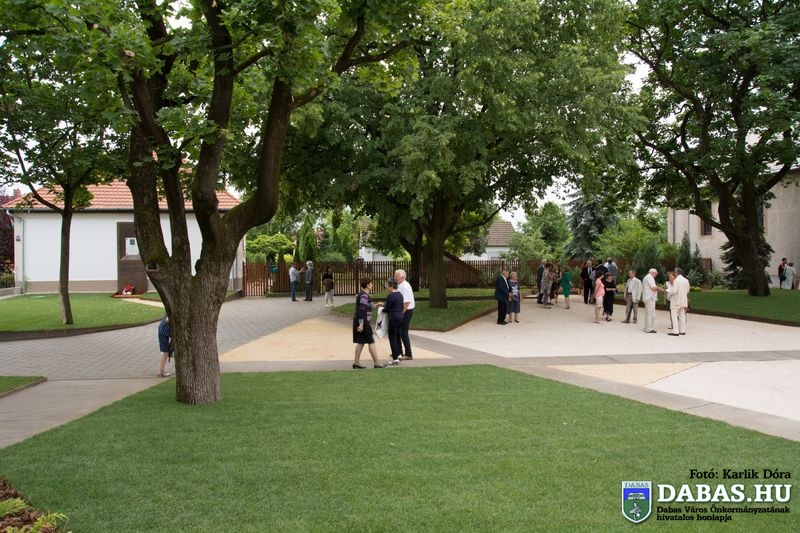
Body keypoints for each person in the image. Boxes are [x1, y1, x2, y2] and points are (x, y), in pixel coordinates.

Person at [352, 277, 388, 369]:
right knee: (371, 341)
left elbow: (365, 307)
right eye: (371, 283)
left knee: (361, 342)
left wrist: (375, 305)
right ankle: (377, 363)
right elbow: (361, 310)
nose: (372, 285)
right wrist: (361, 324)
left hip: (361, 320)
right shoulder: (364, 295)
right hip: (363, 321)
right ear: (367, 285)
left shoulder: (362, 294)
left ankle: (356, 362)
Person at [381, 278, 405, 364]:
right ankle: (399, 354)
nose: (386, 287)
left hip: (393, 317)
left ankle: (395, 358)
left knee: (392, 337)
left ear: (391, 286)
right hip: (401, 316)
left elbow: (387, 308)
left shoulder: (390, 296)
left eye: (387, 286)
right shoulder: (400, 294)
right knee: (397, 335)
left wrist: (382, 309)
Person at [394, 269, 415, 360]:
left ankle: (408, 354)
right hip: (402, 311)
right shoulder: (400, 285)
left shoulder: (405, 286)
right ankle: (399, 352)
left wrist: (401, 314)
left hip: (406, 311)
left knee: (403, 332)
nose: (395, 278)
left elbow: (406, 303)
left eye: (396, 276)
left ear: (402, 277)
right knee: (398, 332)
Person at [667, 267, 691, 336]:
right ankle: (682, 331)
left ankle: (675, 331)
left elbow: (674, 291)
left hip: (676, 300)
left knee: (674, 315)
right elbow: (687, 290)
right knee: (682, 315)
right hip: (683, 300)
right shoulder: (686, 280)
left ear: (677, 272)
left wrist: (669, 291)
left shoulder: (676, 280)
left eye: (675, 272)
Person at [641, 268, 660, 333]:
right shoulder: (650, 277)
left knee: (647, 313)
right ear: (653, 273)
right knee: (651, 314)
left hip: (647, 297)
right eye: (656, 274)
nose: (656, 276)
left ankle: (646, 327)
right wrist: (661, 289)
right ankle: (649, 328)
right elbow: (653, 288)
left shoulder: (646, 277)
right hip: (650, 298)